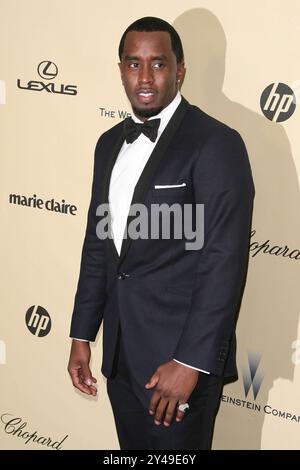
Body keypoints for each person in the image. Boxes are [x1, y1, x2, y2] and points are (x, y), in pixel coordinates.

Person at [68, 16, 254, 450]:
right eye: (134, 64)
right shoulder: (109, 143)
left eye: (159, 64)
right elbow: (100, 245)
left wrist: (190, 363)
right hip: (121, 358)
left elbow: (223, 261)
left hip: (177, 366)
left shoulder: (215, 143)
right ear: (121, 69)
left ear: (180, 69)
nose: (146, 77)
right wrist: (82, 334)